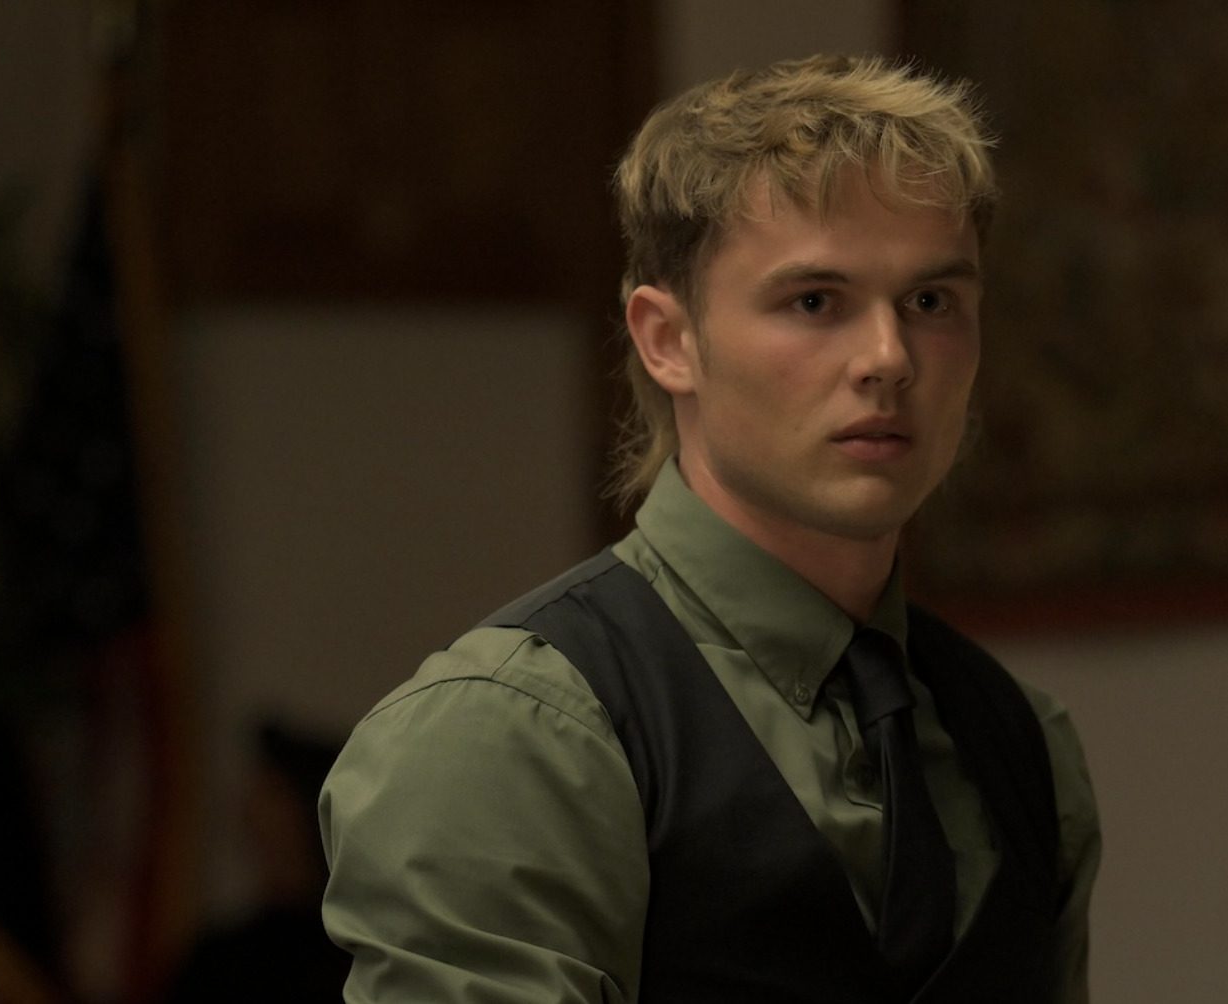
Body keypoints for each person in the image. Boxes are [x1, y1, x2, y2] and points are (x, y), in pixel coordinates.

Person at [319, 53, 1100, 1003]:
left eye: (931, 302)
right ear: (668, 340)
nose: (889, 357)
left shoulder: (1021, 743)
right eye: (815, 302)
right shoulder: (513, 732)